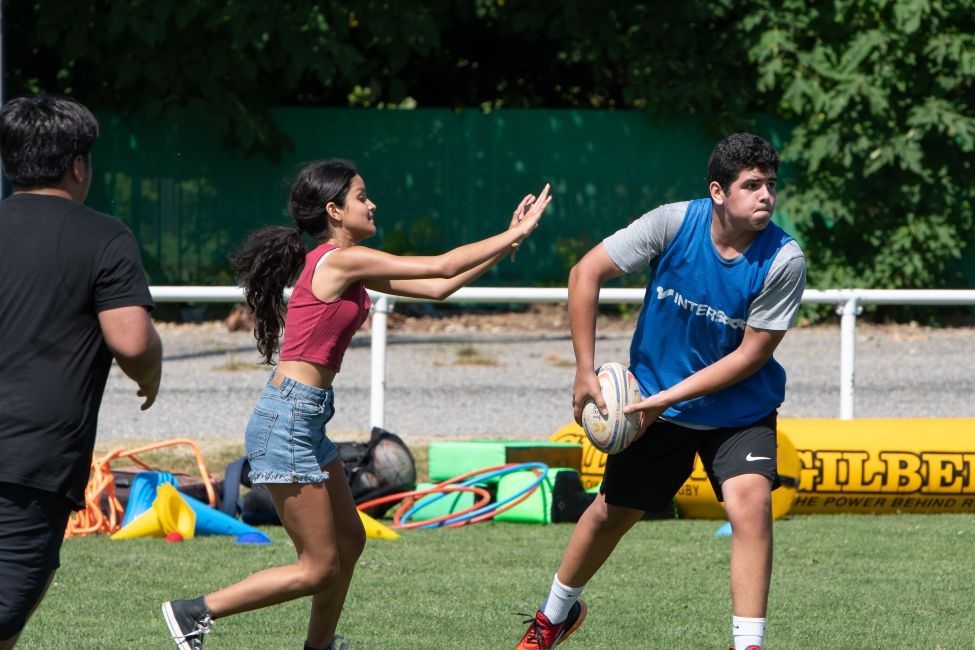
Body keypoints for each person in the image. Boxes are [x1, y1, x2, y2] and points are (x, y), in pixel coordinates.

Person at [162, 158, 551, 650]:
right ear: (334, 211)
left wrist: (510, 242)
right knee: (318, 565)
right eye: (362, 197)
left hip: (306, 420)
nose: (372, 204)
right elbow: (441, 264)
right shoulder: (338, 260)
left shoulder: (350, 269)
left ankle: (319, 647)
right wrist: (514, 229)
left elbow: (440, 286)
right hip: (287, 422)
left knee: (351, 542)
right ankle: (195, 612)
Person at [515, 133, 806, 650]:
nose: (766, 196)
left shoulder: (784, 259)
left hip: (738, 409)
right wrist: (585, 370)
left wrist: (665, 400)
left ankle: (749, 645)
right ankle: (553, 616)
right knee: (610, 513)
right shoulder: (673, 223)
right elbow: (585, 273)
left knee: (751, 505)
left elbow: (750, 356)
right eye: (752, 185)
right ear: (718, 191)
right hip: (653, 404)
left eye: (771, 185)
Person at [0, 95, 162, 649]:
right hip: (30, 460)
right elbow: (131, 340)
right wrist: (150, 375)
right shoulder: (104, 236)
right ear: (78, 165)